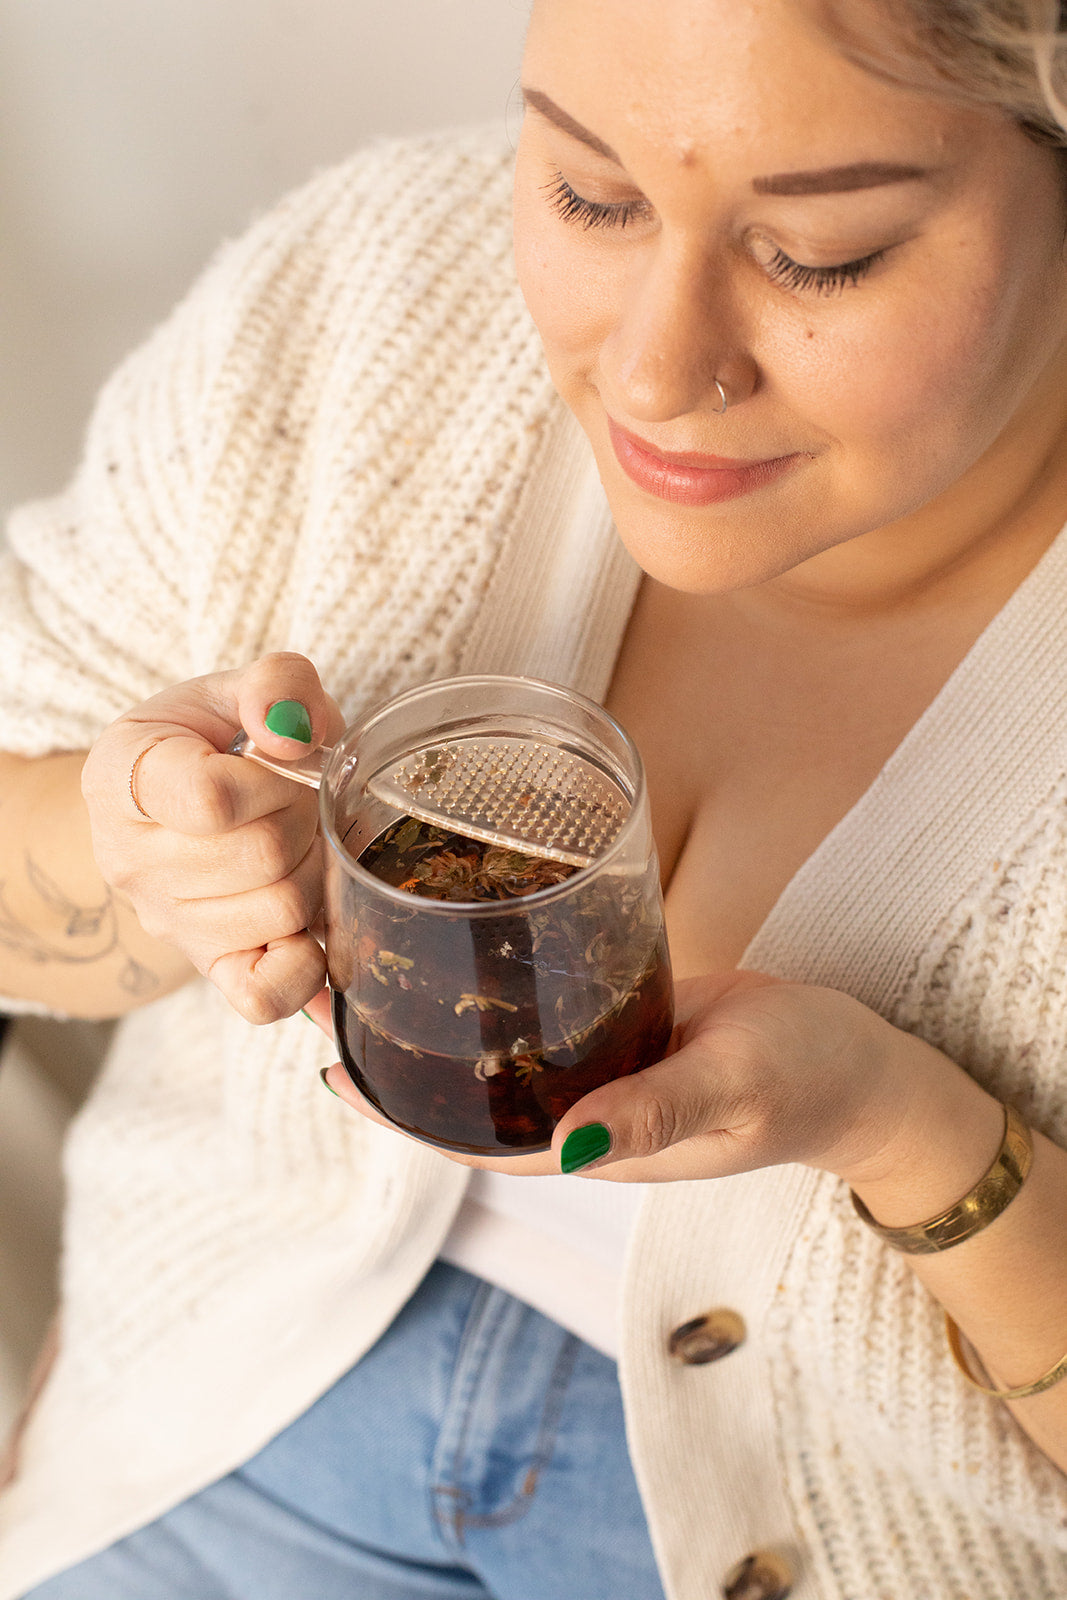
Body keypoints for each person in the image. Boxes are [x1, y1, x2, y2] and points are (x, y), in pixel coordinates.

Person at [2, 0, 1067, 1594]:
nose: (652, 369)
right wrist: (146, 841)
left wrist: (906, 1131)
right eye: (590, 195)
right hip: (210, 1429)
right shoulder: (374, 295)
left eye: (822, 253)